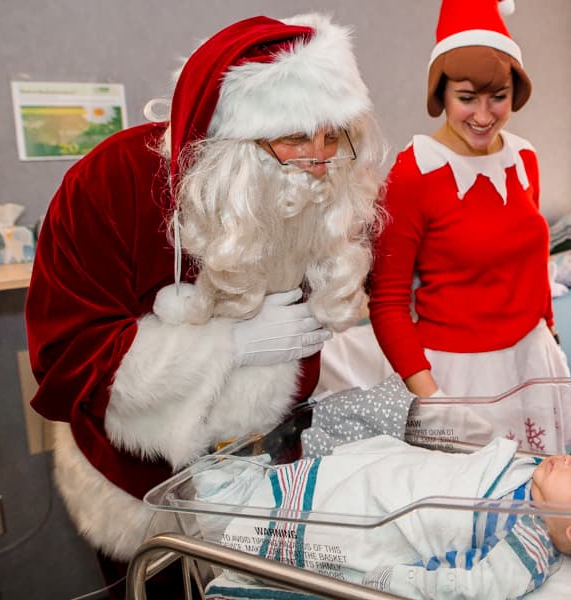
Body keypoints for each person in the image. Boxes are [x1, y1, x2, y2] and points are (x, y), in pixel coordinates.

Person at [24, 12, 385, 597]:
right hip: (136, 485)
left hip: (271, 470)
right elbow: (66, 358)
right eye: (295, 137)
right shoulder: (107, 183)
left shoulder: (321, 179)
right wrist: (229, 344)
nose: (320, 160)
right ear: (231, 140)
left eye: (334, 134)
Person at [368, 0, 571, 445]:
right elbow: (386, 301)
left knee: (550, 501)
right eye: (466, 98)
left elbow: (532, 258)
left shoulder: (523, 158)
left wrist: (550, 328)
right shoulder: (414, 172)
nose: (484, 116)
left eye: (498, 97)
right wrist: (432, 400)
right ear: (440, 94)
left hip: (534, 361)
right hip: (457, 379)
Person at [192, 433, 571, 599]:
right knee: (342, 477)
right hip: (400, 474)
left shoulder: (530, 544)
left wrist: (392, 581)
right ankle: (243, 497)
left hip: (394, 514)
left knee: (327, 512)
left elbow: (469, 586)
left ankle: (234, 513)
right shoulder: (532, 477)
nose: (569, 458)